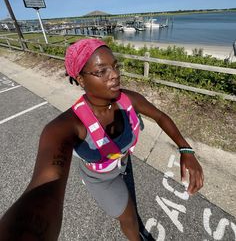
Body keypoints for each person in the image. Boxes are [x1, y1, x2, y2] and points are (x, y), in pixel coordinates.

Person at [0, 38, 204, 241]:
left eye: (115, 66)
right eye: (102, 71)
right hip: (101, 179)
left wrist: (185, 150)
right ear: (81, 80)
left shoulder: (127, 99)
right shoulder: (66, 126)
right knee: (129, 218)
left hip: (122, 162)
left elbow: (159, 116)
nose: (115, 75)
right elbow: (44, 187)